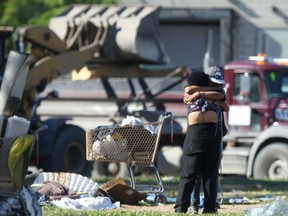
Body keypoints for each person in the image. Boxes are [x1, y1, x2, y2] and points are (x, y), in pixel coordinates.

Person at [174, 69, 226, 214]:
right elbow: (188, 90)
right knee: (189, 174)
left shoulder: (217, 93)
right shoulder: (191, 92)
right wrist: (200, 93)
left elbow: (221, 96)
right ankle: (182, 207)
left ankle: (209, 208)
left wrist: (200, 94)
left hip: (210, 135)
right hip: (195, 137)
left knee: (209, 175)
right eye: (213, 82)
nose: (216, 85)